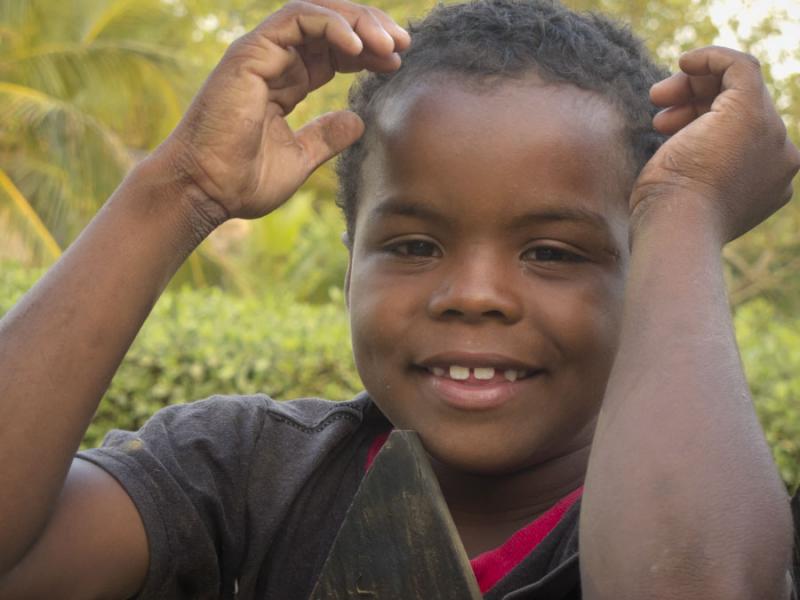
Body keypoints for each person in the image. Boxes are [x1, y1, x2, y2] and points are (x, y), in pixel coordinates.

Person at [0, 0, 798, 597]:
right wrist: (180, 190)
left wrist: (687, 206)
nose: (474, 296)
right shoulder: (248, 474)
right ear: (351, 260)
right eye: (414, 246)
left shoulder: (714, 501)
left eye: (552, 252)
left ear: (650, 276)